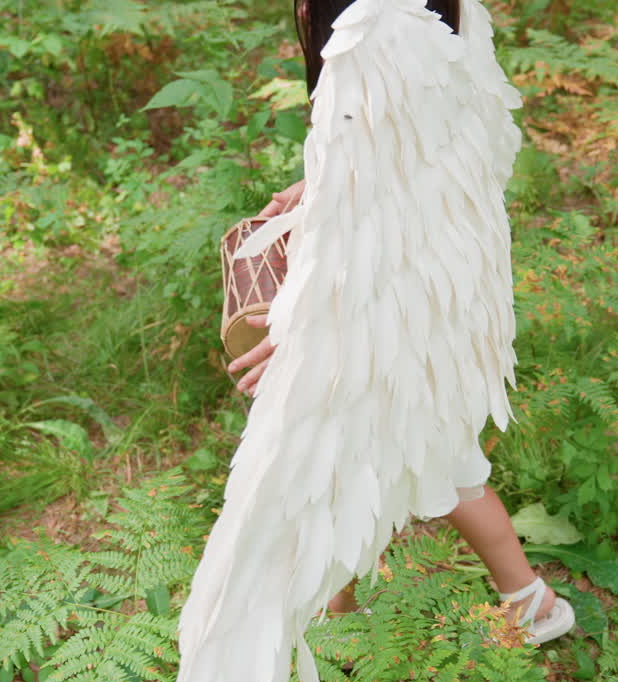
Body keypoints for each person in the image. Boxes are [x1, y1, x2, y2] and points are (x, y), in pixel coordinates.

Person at [223, 0, 574, 644]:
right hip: (430, 276)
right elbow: (406, 152)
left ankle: (347, 624)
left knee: (351, 456)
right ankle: (519, 602)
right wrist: (318, 186)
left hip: (388, 291)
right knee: (413, 454)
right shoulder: (418, 15)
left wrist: (301, 326)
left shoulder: (374, 23)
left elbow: (379, 210)